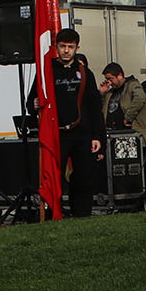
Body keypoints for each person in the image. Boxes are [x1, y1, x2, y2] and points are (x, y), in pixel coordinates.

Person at [31, 29, 102, 217]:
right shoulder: (46, 73)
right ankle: (56, 213)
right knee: (55, 177)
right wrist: (34, 104)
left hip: (82, 134)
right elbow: (33, 100)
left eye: (70, 47)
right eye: (62, 46)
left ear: (77, 48)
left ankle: (82, 215)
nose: (66, 51)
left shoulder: (85, 73)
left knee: (83, 178)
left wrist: (97, 136)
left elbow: (95, 106)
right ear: (56, 47)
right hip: (56, 134)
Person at [102, 62, 146, 209]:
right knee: (118, 171)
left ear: (120, 76)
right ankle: (121, 201)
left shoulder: (133, 85)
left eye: (111, 79)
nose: (110, 82)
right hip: (114, 138)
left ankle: (141, 200)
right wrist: (102, 93)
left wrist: (128, 117)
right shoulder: (110, 93)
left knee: (137, 170)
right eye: (108, 79)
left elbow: (140, 98)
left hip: (134, 137)